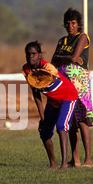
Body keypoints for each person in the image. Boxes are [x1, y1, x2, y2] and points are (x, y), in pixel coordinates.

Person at [23, 41, 78, 170]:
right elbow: (36, 92)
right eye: (28, 54)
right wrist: (42, 117)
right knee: (44, 132)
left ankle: (64, 164)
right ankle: (53, 164)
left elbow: (52, 79)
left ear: (40, 55)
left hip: (68, 96)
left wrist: (42, 76)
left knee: (61, 126)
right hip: (53, 100)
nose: (31, 56)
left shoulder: (48, 68)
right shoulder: (25, 69)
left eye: (34, 54)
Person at [51, 8, 93, 168]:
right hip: (64, 83)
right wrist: (66, 59)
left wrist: (63, 58)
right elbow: (53, 61)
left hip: (79, 82)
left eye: (73, 23)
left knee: (82, 119)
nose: (70, 26)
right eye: (68, 23)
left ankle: (88, 159)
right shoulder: (62, 41)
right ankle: (74, 160)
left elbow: (75, 58)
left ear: (79, 25)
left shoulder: (82, 37)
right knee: (71, 121)